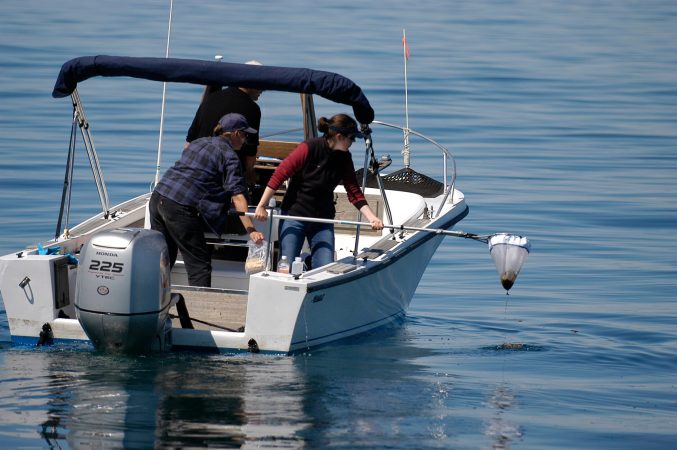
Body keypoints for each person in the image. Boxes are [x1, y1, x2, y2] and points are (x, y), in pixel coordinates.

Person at [254, 113, 384, 270]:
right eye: (351, 138)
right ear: (339, 136)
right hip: (294, 215)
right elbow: (280, 174)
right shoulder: (309, 148)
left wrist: (371, 218)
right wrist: (262, 205)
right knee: (285, 267)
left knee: (324, 269)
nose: (353, 142)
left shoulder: (345, 158)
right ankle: (299, 266)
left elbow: (353, 191)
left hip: (322, 220)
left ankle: (306, 264)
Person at [150, 113, 264, 287]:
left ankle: (150, 301)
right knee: (200, 265)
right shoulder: (229, 156)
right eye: (244, 134)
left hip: (159, 197)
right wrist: (251, 229)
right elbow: (237, 196)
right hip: (180, 207)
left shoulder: (198, 142)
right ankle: (199, 311)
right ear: (234, 133)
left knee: (164, 257)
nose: (245, 139)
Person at [185, 60, 263, 187]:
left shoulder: (210, 99)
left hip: (196, 171)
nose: (263, 89)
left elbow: (189, 144)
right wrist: (250, 175)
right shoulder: (252, 109)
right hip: (226, 177)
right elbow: (250, 152)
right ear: (249, 82)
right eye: (260, 84)